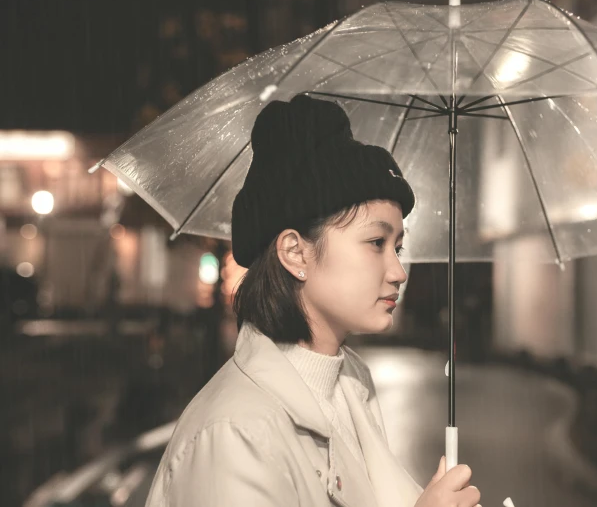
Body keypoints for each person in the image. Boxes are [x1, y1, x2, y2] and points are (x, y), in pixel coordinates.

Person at [145, 94, 482, 507]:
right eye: (376, 243)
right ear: (294, 253)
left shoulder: (350, 390)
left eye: (399, 247)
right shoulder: (234, 433)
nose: (398, 271)